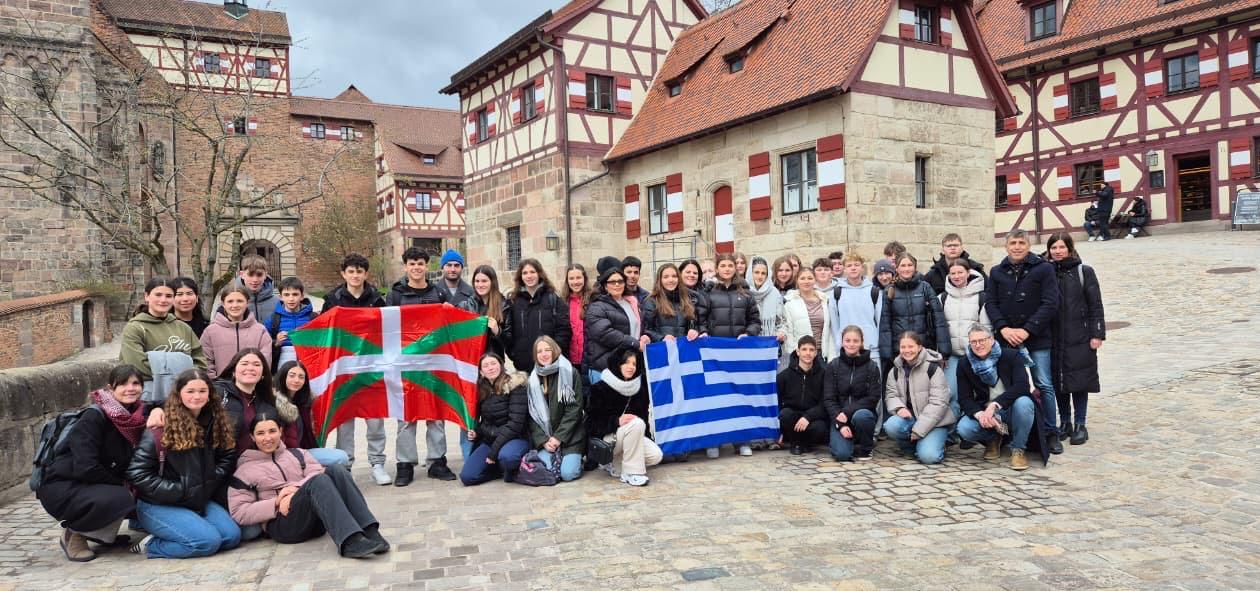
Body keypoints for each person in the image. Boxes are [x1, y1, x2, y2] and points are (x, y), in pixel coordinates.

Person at [229, 415, 389, 558]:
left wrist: (291, 492)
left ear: (281, 431)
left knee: (336, 470)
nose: (267, 438)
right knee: (319, 481)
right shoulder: (245, 469)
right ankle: (350, 542)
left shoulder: (297, 454)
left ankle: (370, 531)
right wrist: (276, 502)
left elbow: (318, 472)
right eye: (261, 433)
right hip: (283, 526)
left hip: (315, 521)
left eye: (272, 431)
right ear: (252, 436)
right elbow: (239, 512)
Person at [37, 365, 149, 562]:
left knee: (144, 492)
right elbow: (86, 468)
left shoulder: (136, 417)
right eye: (122, 384)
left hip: (95, 482)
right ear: (110, 388)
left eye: (135, 383)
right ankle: (75, 534)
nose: (130, 388)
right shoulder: (94, 418)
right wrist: (125, 485)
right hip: (66, 485)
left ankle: (101, 534)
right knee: (124, 496)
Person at [125, 369, 240, 559]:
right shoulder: (161, 427)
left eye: (202, 391)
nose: (197, 396)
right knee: (206, 543)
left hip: (198, 497)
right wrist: (181, 490)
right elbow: (138, 473)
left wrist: (210, 479)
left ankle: (188, 529)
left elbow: (227, 455)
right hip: (159, 503)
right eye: (190, 391)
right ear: (179, 393)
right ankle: (152, 544)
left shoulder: (215, 421)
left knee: (231, 537)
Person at [985, 229, 1062, 454]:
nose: (1017, 247)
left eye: (1021, 243)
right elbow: (991, 303)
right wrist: (1004, 328)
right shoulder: (997, 272)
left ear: (1028, 246)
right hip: (1007, 338)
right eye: (1013, 243)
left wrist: (1027, 330)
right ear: (1006, 246)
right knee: (1006, 386)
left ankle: (1050, 432)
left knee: (1044, 384)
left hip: (1036, 338)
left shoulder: (1044, 269)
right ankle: (1006, 431)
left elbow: (1050, 303)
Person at [385, 247, 457, 486]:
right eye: (412, 263)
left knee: (436, 413)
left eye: (420, 263)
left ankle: (437, 461)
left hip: (433, 362)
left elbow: (450, 326)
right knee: (406, 415)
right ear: (405, 267)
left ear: (427, 267)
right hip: (404, 364)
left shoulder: (439, 293)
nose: (416, 267)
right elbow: (386, 329)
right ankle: (405, 465)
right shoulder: (395, 295)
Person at [320, 254, 395, 484]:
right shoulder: (332, 299)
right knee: (345, 421)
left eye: (359, 271)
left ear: (366, 274)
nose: (355, 275)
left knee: (375, 420)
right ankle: (345, 465)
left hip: (372, 368)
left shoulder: (377, 299)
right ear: (344, 274)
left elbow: (389, 330)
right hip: (344, 369)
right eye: (351, 271)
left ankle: (377, 463)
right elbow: (324, 331)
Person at [1045, 233, 1105, 446]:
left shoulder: (1084, 272)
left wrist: (1097, 334)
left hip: (1079, 335)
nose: (1058, 251)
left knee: (1080, 381)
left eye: (1062, 247)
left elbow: (1095, 304)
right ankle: (1065, 422)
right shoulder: (1046, 272)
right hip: (1054, 337)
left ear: (1070, 249)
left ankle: (1080, 423)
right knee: (1060, 381)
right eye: (1054, 248)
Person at [955, 325, 1038, 470]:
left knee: (1024, 403)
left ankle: (1018, 449)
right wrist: (980, 414)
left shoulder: (1011, 356)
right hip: (985, 412)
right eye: (973, 342)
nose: (978, 345)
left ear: (992, 339)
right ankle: (993, 438)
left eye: (982, 340)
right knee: (964, 428)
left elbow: (1022, 386)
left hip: (1011, 408)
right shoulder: (964, 363)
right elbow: (965, 398)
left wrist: (995, 405)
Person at [705, 253, 762, 458]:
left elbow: (755, 320)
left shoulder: (745, 293)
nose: (727, 269)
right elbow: (700, 319)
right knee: (716, 397)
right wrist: (704, 333)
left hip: (739, 354)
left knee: (739, 396)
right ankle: (714, 441)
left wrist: (750, 333)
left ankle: (741, 440)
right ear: (717, 268)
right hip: (715, 354)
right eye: (723, 265)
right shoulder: (709, 292)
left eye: (730, 265)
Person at [119, 277, 208, 404]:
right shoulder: (135, 328)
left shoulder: (183, 328)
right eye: (158, 295)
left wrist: (183, 380)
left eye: (168, 296)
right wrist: (181, 368)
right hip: (147, 398)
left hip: (184, 396)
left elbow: (200, 362)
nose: (163, 300)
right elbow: (137, 366)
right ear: (147, 296)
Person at [587, 347, 661, 486]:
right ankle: (632, 473)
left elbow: (644, 419)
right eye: (626, 363)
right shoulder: (600, 388)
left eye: (634, 364)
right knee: (636, 423)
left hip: (631, 435)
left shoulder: (639, 388)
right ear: (617, 363)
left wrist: (644, 438)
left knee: (656, 455)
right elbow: (591, 424)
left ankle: (615, 464)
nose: (631, 367)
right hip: (609, 438)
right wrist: (616, 421)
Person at [883, 331, 954, 464]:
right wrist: (899, 408)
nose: (907, 350)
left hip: (935, 422)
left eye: (911, 346)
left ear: (920, 347)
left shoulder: (933, 369)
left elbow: (939, 403)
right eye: (903, 347)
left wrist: (918, 430)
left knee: (929, 457)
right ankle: (912, 447)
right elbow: (891, 395)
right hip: (911, 418)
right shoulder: (894, 371)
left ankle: (939, 444)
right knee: (892, 425)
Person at [459, 354, 530, 485]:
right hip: (490, 440)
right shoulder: (482, 390)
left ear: (501, 365)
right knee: (467, 477)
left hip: (515, 438)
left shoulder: (515, 385)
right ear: (481, 372)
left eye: (493, 363)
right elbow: (484, 422)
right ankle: (499, 470)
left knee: (508, 458)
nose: (490, 368)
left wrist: (493, 453)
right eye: (485, 366)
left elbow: (515, 425)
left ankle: (509, 465)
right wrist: (477, 432)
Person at [526, 336, 585, 482]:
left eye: (547, 350)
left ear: (555, 351)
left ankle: (576, 460)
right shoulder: (532, 379)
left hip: (571, 437)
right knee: (545, 468)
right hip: (546, 438)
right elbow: (532, 415)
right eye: (539, 351)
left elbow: (574, 410)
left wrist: (558, 437)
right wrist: (544, 441)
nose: (544, 354)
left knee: (567, 474)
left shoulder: (570, 373)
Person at [939, 258, 991, 425]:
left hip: (976, 355)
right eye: (953, 273)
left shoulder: (981, 297)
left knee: (977, 394)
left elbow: (986, 328)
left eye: (960, 272)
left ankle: (973, 429)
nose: (956, 276)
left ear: (968, 273)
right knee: (951, 394)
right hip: (953, 356)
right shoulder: (943, 298)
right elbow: (939, 328)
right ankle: (951, 431)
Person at [879, 253, 950, 369]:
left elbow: (939, 320)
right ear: (896, 268)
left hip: (924, 349)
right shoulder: (890, 291)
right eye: (903, 265)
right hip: (900, 351)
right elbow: (885, 324)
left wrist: (944, 352)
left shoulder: (925, 288)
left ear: (915, 267)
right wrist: (886, 354)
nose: (906, 269)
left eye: (909, 265)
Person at [273, 360, 349, 466]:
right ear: (283, 377)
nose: (296, 380)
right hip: (285, 455)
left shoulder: (303, 403)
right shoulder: (274, 403)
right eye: (292, 375)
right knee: (340, 458)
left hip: (303, 450)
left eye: (301, 377)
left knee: (342, 458)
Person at [824, 326, 881, 461]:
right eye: (847, 340)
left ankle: (866, 448)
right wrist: (841, 424)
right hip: (839, 417)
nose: (851, 344)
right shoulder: (833, 366)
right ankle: (846, 441)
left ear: (861, 342)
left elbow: (873, 397)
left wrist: (847, 411)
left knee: (863, 416)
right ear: (842, 342)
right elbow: (829, 399)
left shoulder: (872, 367)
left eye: (855, 341)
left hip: (861, 415)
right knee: (842, 455)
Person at [584, 267, 648, 385]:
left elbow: (638, 327)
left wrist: (644, 336)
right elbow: (604, 333)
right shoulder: (597, 306)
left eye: (620, 281)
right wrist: (634, 343)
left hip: (628, 365)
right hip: (604, 367)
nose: (617, 284)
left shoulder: (631, 303)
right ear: (605, 286)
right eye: (612, 282)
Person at [508, 259, 571, 374]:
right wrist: (514, 354)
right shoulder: (513, 301)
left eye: (532, 272)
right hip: (523, 367)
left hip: (550, 366)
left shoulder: (553, 298)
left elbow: (564, 330)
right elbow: (509, 333)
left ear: (539, 274)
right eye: (525, 273)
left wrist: (553, 353)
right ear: (520, 276)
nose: (529, 276)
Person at [201, 285, 273, 379]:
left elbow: (265, 359)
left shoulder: (260, 331)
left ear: (247, 302)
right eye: (230, 301)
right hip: (222, 387)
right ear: (223, 304)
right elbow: (206, 361)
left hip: (252, 386)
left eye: (240, 301)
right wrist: (215, 384)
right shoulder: (210, 332)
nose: (235, 305)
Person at [776, 337, 829, 455]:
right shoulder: (784, 376)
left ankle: (805, 443)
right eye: (804, 349)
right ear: (798, 351)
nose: (808, 353)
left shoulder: (823, 375)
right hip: (792, 417)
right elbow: (777, 402)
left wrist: (808, 417)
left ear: (816, 353)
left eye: (811, 350)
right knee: (785, 415)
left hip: (811, 418)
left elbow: (824, 403)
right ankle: (796, 443)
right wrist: (777, 431)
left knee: (820, 428)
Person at [831, 253, 883, 368]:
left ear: (862, 267)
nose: (853, 268)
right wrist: (839, 346)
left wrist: (877, 344)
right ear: (844, 269)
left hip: (871, 350)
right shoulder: (836, 292)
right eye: (849, 265)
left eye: (856, 264)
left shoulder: (874, 291)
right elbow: (835, 323)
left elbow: (879, 321)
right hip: (846, 350)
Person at [778, 267, 835, 361]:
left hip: (822, 353)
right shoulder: (789, 302)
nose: (806, 281)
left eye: (810, 278)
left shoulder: (825, 300)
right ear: (797, 281)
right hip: (800, 355)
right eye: (802, 278)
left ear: (815, 280)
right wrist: (794, 353)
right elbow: (789, 331)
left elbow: (830, 330)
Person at [458, 264, 512, 360]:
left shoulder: (504, 305)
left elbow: (509, 342)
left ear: (492, 282)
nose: (480, 285)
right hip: (472, 362)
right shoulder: (467, 305)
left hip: (494, 362)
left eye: (484, 281)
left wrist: (497, 331)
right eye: (477, 281)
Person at [642, 263, 701, 343]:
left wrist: (694, 331)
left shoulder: (686, 299)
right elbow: (646, 330)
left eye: (674, 276)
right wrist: (662, 337)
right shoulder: (651, 301)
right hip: (662, 349)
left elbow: (694, 324)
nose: (671, 280)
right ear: (660, 280)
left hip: (683, 349)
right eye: (666, 277)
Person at [218, 254, 279, 328]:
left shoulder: (278, 303)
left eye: (259, 275)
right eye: (250, 275)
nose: (255, 280)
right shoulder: (230, 301)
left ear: (265, 275)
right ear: (242, 274)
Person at [270, 277, 317, 370]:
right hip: (282, 366)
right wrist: (276, 342)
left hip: (308, 364)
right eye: (286, 295)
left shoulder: (313, 317)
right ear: (280, 297)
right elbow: (264, 344)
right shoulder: (274, 319)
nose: (291, 299)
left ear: (302, 296)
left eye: (295, 294)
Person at [560, 263, 593, 368]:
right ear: (567, 281)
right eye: (571, 278)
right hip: (568, 358)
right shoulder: (562, 302)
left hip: (589, 358)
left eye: (578, 277)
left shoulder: (594, 299)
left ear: (584, 279)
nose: (575, 282)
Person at [746, 256, 784, 347]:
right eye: (756, 272)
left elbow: (782, 322)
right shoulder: (743, 292)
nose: (760, 276)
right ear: (750, 274)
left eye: (763, 273)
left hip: (769, 344)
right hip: (749, 343)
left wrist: (781, 333)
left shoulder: (774, 293)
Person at [677, 259, 711, 332]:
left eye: (695, 273)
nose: (692, 275)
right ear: (680, 273)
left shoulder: (704, 296)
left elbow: (705, 322)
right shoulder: (673, 294)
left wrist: (703, 332)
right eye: (688, 272)